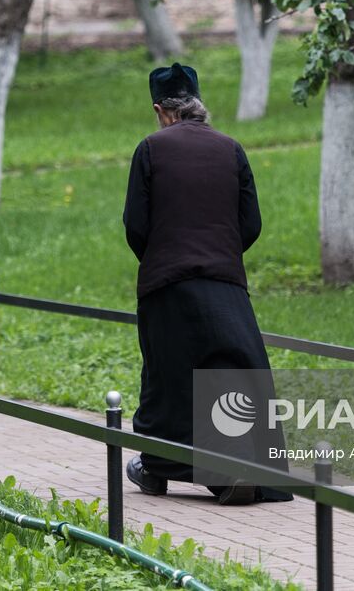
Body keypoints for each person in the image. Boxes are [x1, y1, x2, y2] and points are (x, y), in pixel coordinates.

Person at [122, 62, 292, 506]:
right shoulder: (232, 149)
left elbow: (135, 225)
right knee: (235, 370)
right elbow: (250, 224)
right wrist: (221, 256)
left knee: (169, 379)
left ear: (161, 110)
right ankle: (246, 464)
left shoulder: (151, 149)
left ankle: (160, 467)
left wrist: (163, 257)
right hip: (226, 283)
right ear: (198, 105)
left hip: (167, 283)